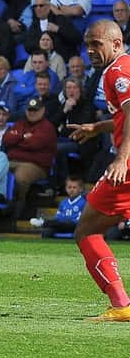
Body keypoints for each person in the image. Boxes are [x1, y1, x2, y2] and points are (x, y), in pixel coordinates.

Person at [67, 20, 130, 321]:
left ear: (116, 44)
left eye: (97, 44)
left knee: (86, 230)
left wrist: (121, 159)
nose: (90, 50)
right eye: (88, 44)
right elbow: (122, 118)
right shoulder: (121, 68)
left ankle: (120, 304)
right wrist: (98, 127)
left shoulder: (119, 72)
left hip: (128, 167)